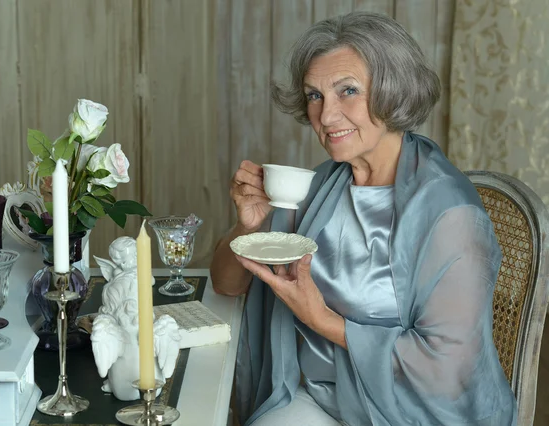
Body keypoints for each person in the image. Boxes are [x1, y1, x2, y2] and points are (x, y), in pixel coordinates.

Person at [209, 11, 517, 426]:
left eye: (347, 91)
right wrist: (248, 226)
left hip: (408, 413)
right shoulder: (321, 186)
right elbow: (227, 284)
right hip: (321, 397)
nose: (327, 116)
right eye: (314, 95)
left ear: (393, 92)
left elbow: (448, 371)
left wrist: (322, 320)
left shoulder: (448, 212)